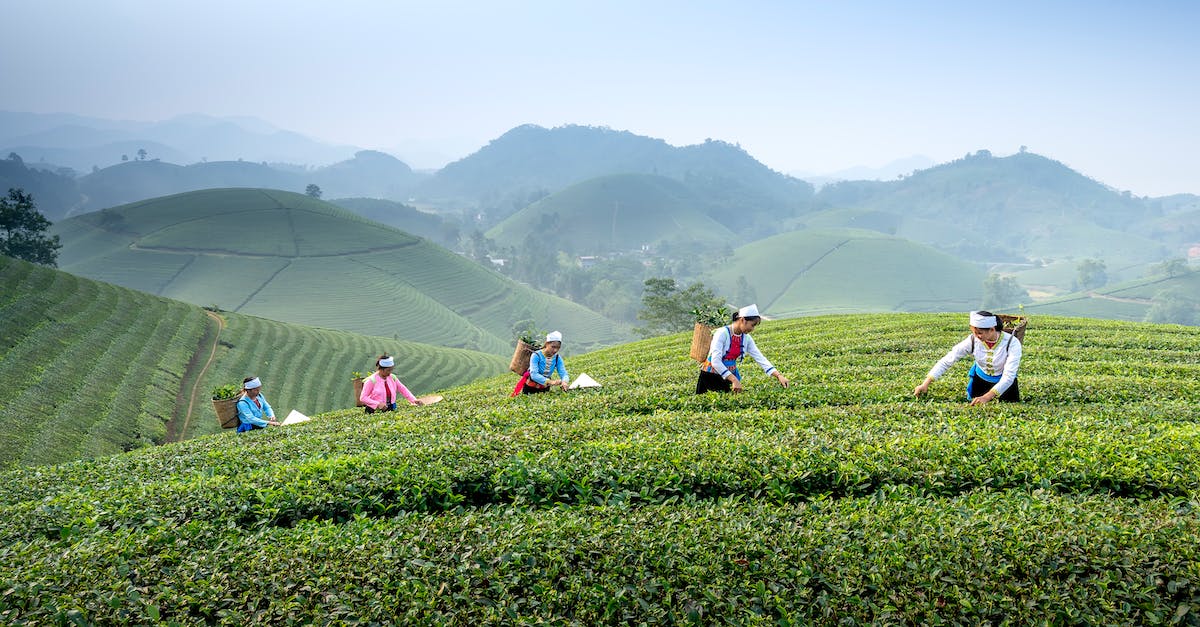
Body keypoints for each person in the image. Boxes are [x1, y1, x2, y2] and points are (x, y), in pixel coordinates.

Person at [913, 310, 1023, 405]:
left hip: (1005, 384)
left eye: (980, 333)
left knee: (1009, 405)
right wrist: (926, 383)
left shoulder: (1011, 343)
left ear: (992, 329)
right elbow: (948, 359)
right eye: (975, 333)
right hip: (981, 381)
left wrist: (987, 397)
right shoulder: (972, 340)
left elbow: (1009, 376)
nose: (977, 336)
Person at [696, 304, 790, 394]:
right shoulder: (722, 333)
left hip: (729, 376)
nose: (752, 329)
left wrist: (779, 375)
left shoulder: (746, 338)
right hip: (711, 377)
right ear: (743, 320)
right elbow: (715, 361)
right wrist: (734, 379)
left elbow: (760, 358)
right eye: (752, 325)